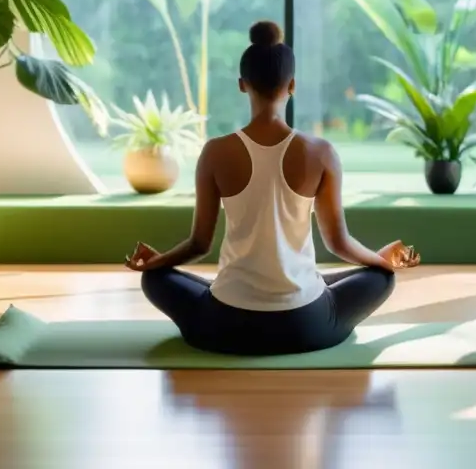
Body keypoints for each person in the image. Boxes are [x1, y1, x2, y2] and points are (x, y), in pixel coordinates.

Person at [125, 20, 421, 356]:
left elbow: (199, 245)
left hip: (225, 325)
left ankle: (237, 292)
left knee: (155, 279)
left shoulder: (215, 152)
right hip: (305, 325)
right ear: (292, 85)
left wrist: (156, 263)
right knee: (380, 279)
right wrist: (382, 262)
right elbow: (339, 243)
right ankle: (309, 284)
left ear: (242, 85)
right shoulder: (321, 152)